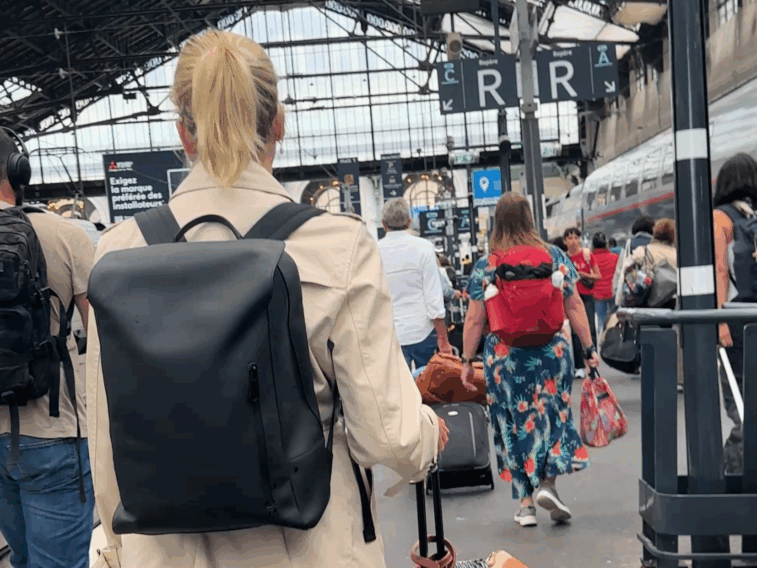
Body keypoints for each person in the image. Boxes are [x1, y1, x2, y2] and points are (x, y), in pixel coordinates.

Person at [85, 29, 446, 568]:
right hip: (311, 548)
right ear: (278, 121)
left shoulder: (119, 253)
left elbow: (106, 443)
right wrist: (429, 436)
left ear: (185, 134)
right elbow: (387, 437)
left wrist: (115, 551)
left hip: (169, 555)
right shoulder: (337, 245)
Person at [459, 193, 598, 528]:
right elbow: (575, 306)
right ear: (530, 219)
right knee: (551, 416)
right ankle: (548, 483)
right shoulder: (555, 255)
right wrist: (590, 350)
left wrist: (466, 360)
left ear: (498, 221)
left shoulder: (487, 265)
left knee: (512, 424)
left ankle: (525, 505)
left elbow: (475, 320)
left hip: (505, 357)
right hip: (553, 352)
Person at [0, 129, 97, 568]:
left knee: (21, 560)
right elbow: (104, 336)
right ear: (19, 171)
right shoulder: (64, 234)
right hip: (54, 431)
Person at [713, 153, 757, 426]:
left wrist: (719, 320)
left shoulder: (721, 218)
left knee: (738, 391)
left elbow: (720, 271)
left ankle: (749, 452)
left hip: (738, 315)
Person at [379, 198, 453, 369]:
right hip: (423, 332)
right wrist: (443, 341)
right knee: (428, 388)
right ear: (409, 222)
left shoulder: (375, 251)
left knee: (400, 391)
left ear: (384, 224)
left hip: (392, 335)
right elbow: (433, 297)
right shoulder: (425, 248)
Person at [564, 227, 601, 378]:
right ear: (565, 241)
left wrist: (585, 275)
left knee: (589, 328)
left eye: (575, 237)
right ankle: (579, 366)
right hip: (571, 297)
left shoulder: (586, 255)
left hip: (587, 295)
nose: (573, 240)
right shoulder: (564, 258)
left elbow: (598, 276)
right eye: (570, 238)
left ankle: (591, 361)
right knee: (574, 332)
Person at [630, 218, 678, 309]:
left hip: (647, 304)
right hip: (671, 304)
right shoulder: (677, 255)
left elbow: (628, 274)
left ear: (654, 233)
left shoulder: (643, 251)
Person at [613, 215, 655, 305]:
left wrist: (616, 290)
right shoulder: (655, 244)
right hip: (651, 290)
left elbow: (619, 269)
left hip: (631, 291)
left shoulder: (628, 244)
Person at [591, 232, 619, 331]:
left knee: (600, 321)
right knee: (614, 319)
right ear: (606, 244)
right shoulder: (615, 257)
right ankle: (613, 340)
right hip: (612, 292)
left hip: (597, 294)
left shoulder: (591, 259)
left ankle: (601, 343)